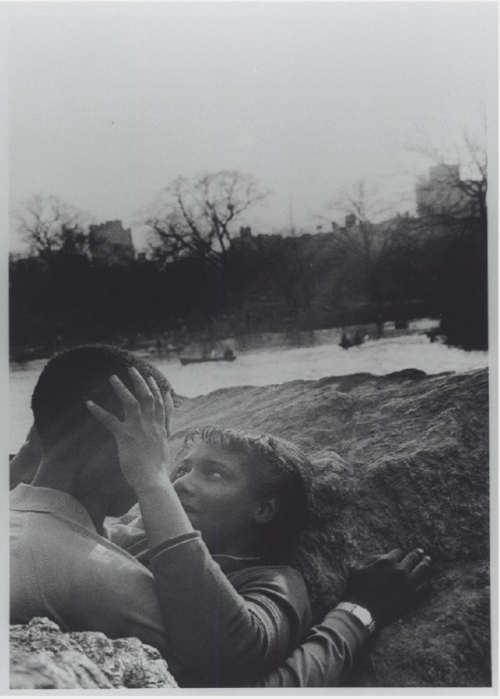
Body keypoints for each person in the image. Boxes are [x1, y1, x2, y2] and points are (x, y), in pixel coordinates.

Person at [10, 344, 431, 687]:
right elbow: (238, 669)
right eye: (175, 465)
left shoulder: (276, 582)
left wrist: (38, 451)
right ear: (112, 440)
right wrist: (356, 615)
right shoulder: (105, 558)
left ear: (264, 508)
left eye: (212, 473)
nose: (175, 482)